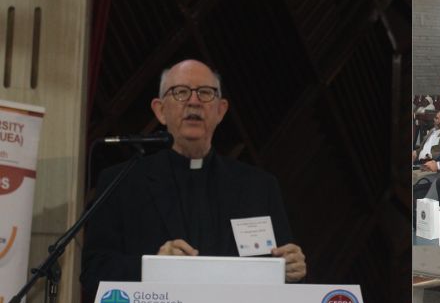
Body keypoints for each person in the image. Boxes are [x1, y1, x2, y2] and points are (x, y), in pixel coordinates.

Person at [81, 60, 306, 290]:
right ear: (160, 110)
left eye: (205, 93)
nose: (194, 101)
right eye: (181, 92)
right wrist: (154, 266)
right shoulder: (122, 183)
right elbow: (94, 271)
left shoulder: (258, 187)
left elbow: (282, 268)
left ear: (221, 110)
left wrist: (291, 269)